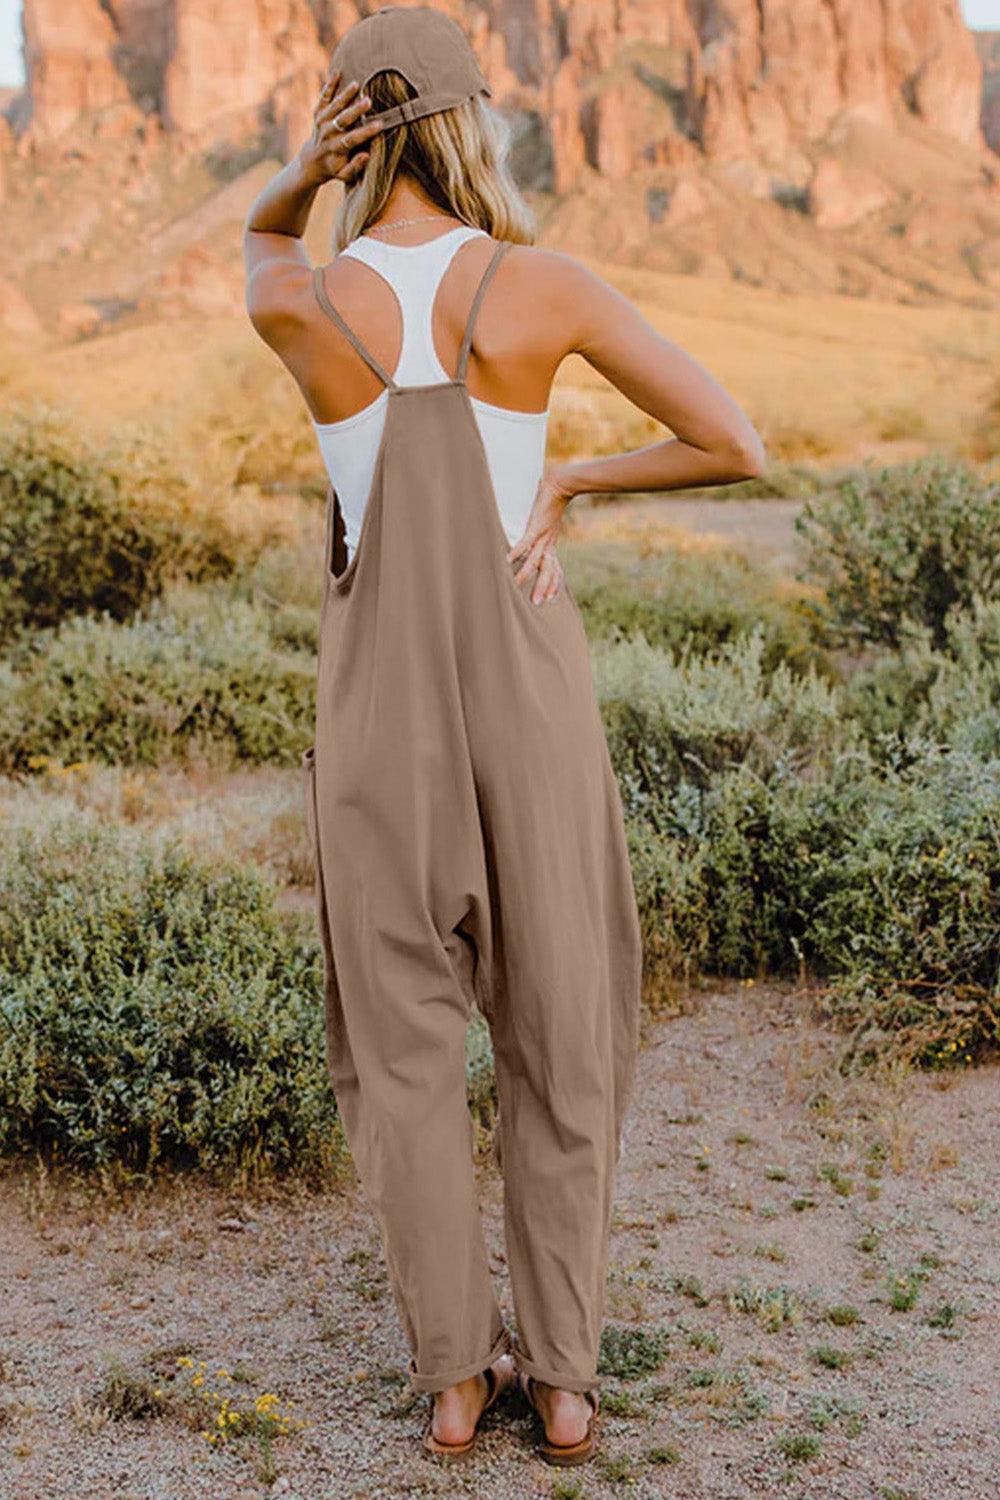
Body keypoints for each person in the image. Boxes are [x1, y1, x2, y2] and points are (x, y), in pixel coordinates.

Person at [243, 4, 764, 1468]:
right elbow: (735, 440)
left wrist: (302, 173)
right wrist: (575, 479)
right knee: (563, 1031)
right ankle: (568, 1378)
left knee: (404, 1050)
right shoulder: (541, 285)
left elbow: (258, 242)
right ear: (470, 120)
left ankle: (456, 1382)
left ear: (354, 130)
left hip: (377, 720)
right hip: (530, 702)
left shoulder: (303, 301)